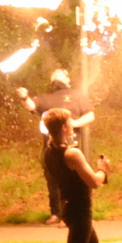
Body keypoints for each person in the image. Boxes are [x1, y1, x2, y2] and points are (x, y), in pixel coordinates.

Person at [36, 109, 111, 243]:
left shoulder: (49, 151)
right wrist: (103, 168)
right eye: (70, 122)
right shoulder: (72, 153)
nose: (73, 125)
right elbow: (94, 182)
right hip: (80, 209)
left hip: (67, 207)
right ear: (63, 127)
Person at [17, 70, 95, 226]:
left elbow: (90, 115)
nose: (57, 75)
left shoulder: (76, 95)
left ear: (68, 79)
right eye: (54, 74)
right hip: (51, 146)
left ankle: (74, 213)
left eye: (61, 73)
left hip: (72, 144)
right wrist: (24, 97)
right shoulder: (45, 97)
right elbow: (31, 105)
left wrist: (74, 124)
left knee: (74, 178)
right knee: (52, 178)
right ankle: (56, 213)